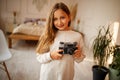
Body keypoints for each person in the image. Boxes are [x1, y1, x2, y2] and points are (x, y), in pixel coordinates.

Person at [36, 2, 86, 80]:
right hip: (48, 75)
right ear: (51, 20)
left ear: (69, 17)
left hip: (66, 76)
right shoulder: (48, 34)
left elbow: (80, 59)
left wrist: (78, 55)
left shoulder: (77, 36)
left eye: (62, 17)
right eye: (55, 19)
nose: (59, 22)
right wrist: (51, 56)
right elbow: (39, 57)